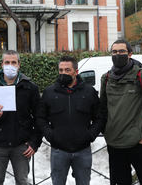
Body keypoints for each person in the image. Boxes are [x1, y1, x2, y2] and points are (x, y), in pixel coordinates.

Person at [100, 39, 142, 185]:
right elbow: (102, 109)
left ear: (130, 54)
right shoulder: (106, 78)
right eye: (114, 52)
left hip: (138, 145)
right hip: (115, 145)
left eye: (122, 51)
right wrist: (107, 131)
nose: (118, 55)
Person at [36, 55, 104, 185]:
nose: (63, 73)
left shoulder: (89, 92)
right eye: (61, 70)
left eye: (67, 70)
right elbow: (40, 118)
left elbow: (99, 117)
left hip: (82, 150)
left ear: (76, 72)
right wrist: (51, 135)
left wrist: (90, 135)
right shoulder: (49, 92)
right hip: (58, 151)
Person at [0, 50, 42, 185]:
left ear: (19, 65)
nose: (10, 65)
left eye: (13, 62)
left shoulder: (30, 87)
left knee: (23, 181)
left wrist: (35, 142)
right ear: (2, 64)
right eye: (7, 62)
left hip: (22, 145)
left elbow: (39, 117)